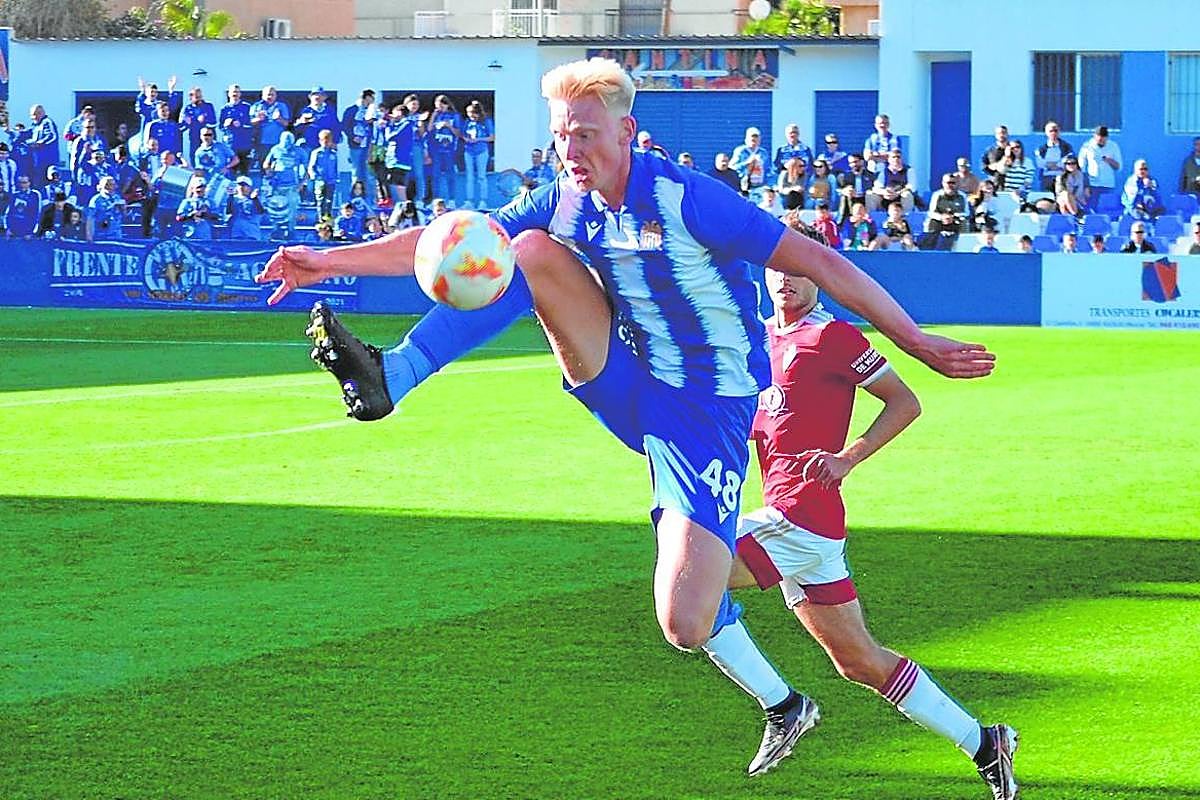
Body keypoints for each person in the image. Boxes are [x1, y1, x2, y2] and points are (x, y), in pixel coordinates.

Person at [255, 57, 994, 777]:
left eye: (584, 134)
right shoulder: (564, 199)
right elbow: (447, 244)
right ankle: (395, 374)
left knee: (684, 621)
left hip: (703, 414)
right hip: (626, 379)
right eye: (559, 135)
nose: (569, 150)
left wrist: (916, 340)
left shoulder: (689, 200)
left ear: (625, 133)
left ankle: (787, 702)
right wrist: (327, 259)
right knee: (525, 249)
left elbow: (821, 263)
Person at [731, 235, 1019, 799]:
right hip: (800, 525)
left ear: (819, 280)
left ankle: (783, 706)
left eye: (797, 271)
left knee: (691, 578)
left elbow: (905, 401)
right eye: (777, 270)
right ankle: (986, 743)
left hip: (800, 516)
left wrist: (847, 458)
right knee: (859, 662)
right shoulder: (755, 340)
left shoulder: (834, 337)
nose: (786, 279)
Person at [262, 131, 304, 240]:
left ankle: (291, 231)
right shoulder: (275, 149)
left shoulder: (299, 151)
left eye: (289, 141)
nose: (287, 144)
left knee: (292, 209)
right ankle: (276, 231)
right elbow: (266, 164)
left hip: (292, 186)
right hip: (277, 185)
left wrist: (302, 184)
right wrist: (269, 171)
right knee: (276, 209)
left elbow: (306, 168)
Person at [343, 89, 379, 199]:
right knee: (356, 173)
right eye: (371, 98)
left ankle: (371, 200)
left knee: (369, 174)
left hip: (368, 147)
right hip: (355, 147)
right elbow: (344, 126)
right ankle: (354, 199)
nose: (373, 101)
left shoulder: (371, 111)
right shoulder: (351, 110)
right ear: (365, 97)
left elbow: (374, 128)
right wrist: (353, 137)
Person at [427, 94, 460, 208]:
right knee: (436, 175)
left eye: (442, 105)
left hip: (450, 150)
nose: (440, 107)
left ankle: (452, 200)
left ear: (446, 105)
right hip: (436, 150)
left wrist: (449, 126)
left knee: (450, 175)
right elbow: (429, 129)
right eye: (437, 105)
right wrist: (433, 116)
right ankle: (436, 201)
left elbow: (458, 134)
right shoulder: (435, 116)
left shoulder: (454, 116)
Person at [461, 100, 494, 209]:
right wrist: (466, 139)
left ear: (478, 113)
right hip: (469, 151)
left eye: (473, 113)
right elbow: (463, 134)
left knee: (481, 176)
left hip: (481, 151)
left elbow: (492, 137)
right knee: (469, 176)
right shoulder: (467, 122)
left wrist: (478, 139)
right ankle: (469, 201)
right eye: (468, 113)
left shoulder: (486, 122)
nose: (471, 115)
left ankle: (483, 201)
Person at [1078, 126, 1122, 205]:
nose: (1101, 140)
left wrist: (1109, 160)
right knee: (1091, 207)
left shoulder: (1113, 146)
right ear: (1094, 136)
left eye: (1103, 138)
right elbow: (1081, 166)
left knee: (1106, 208)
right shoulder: (1087, 146)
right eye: (1099, 138)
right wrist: (1085, 185)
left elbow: (1119, 167)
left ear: (1107, 137)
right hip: (1092, 183)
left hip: (1107, 184)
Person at [294, 86, 339, 162]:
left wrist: (335, 141)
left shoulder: (330, 110)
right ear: (310, 97)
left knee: (323, 167)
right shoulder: (304, 111)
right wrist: (301, 122)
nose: (317, 97)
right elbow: (296, 129)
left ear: (324, 97)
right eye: (314, 94)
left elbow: (336, 127)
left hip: (325, 145)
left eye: (320, 95)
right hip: (308, 144)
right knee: (307, 167)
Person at [250, 86, 290, 166]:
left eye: (272, 95)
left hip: (278, 142)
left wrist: (279, 118)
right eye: (268, 95)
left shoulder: (281, 106)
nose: (270, 97)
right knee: (264, 165)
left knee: (278, 165)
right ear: (262, 95)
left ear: (276, 96)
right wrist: (258, 119)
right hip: (261, 142)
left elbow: (286, 123)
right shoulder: (256, 106)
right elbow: (249, 123)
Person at [219, 84, 254, 177]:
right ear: (229, 94)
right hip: (230, 145)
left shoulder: (247, 107)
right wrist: (226, 124)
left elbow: (252, 124)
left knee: (244, 173)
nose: (235, 94)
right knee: (230, 172)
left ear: (240, 94)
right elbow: (220, 126)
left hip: (244, 144)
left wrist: (241, 124)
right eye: (233, 92)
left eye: (237, 92)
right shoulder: (225, 109)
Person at [866, 149, 914, 214]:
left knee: (907, 195)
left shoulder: (909, 170)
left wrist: (897, 193)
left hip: (900, 195)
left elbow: (911, 187)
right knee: (870, 195)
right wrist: (885, 192)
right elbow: (876, 187)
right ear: (889, 159)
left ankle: (905, 218)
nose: (896, 159)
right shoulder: (883, 171)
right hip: (886, 196)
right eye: (893, 157)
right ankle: (872, 218)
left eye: (898, 157)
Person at [178, 86, 217, 163]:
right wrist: (186, 123)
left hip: (208, 139)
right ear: (191, 97)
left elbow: (214, 123)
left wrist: (205, 120)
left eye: (200, 96)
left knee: (210, 159)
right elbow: (181, 128)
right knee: (195, 159)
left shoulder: (208, 106)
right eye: (196, 97)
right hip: (194, 138)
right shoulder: (187, 109)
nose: (199, 99)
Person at [309, 128, 340, 220]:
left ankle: (328, 217)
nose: (326, 142)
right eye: (323, 140)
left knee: (329, 200)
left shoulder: (334, 154)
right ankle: (320, 218)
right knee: (320, 200)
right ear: (320, 140)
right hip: (320, 181)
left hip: (331, 181)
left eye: (328, 140)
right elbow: (311, 167)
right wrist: (315, 177)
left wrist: (336, 178)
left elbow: (336, 167)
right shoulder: (316, 153)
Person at [1122, 160, 1166, 224]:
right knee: (1137, 213)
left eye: (1145, 169)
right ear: (1135, 170)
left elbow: (1159, 200)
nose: (1143, 171)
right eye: (1141, 169)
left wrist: (1152, 188)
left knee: (1162, 211)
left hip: (1148, 208)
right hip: (1134, 208)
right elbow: (1132, 202)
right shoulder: (1131, 182)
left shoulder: (1152, 180)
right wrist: (1142, 188)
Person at [1034, 121, 1073, 192]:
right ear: (1046, 133)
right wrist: (1057, 164)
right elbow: (1040, 164)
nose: (1053, 133)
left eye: (1056, 131)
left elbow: (1067, 162)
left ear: (1059, 132)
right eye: (1051, 131)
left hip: (1063, 178)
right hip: (1046, 179)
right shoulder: (1041, 149)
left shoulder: (1067, 147)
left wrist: (1050, 165)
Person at [730, 126, 769, 194]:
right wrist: (747, 162)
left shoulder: (763, 152)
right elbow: (732, 167)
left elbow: (768, 169)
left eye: (756, 138)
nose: (754, 140)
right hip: (743, 186)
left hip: (760, 186)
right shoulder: (741, 151)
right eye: (752, 138)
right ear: (746, 139)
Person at [29, 105, 59, 190]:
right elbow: (27, 133)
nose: (33, 117)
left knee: (49, 184)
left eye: (36, 114)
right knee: (38, 183)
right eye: (32, 115)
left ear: (42, 113)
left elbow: (52, 136)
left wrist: (40, 143)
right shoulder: (35, 125)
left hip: (48, 160)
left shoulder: (47, 122)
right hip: (37, 161)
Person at [86, 175, 124, 242]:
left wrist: (123, 209)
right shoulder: (96, 200)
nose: (111, 187)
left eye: (113, 185)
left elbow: (122, 215)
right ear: (102, 186)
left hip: (116, 234)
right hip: (101, 234)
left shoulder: (117, 198)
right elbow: (90, 219)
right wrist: (89, 235)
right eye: (108, 185)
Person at [227, 175, 264, 240]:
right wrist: (230, 197)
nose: (241, 187)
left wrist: (255, 199)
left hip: (252, 233)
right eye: (240, 185)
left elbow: (261, 211)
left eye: (245, 185)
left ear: (250, 187)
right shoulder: (233, 199)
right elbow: (229, 212)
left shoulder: (257, 199)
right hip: (237, 233)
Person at [1055, 155, 1089, 220]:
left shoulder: (1083, 176)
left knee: (1065, 202)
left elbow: (1087, 192)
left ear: (1077, 164)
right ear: (1065, 165)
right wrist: (1072, 197)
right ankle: (1075, 215)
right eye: (1068, 164)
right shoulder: (1061, 177)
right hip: (1064, 199)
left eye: (1073, 163)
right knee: (1065, 195)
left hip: (1080, 200)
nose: (1071, 165)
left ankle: (1071, 218)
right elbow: (1060, 193)